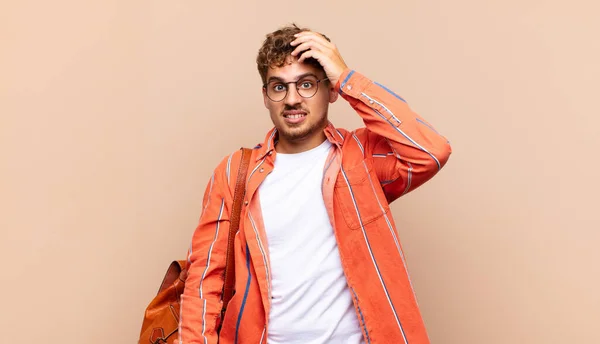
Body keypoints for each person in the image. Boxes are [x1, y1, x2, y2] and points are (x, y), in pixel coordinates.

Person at [178, 24, 452, 344]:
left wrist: (348, 77)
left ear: (331, 90)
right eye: (279, 87)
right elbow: (203, 282)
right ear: (265, 96)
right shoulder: (235, 173)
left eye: (306, 84)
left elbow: (430, 151)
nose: (292, 99)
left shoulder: (360, 157)